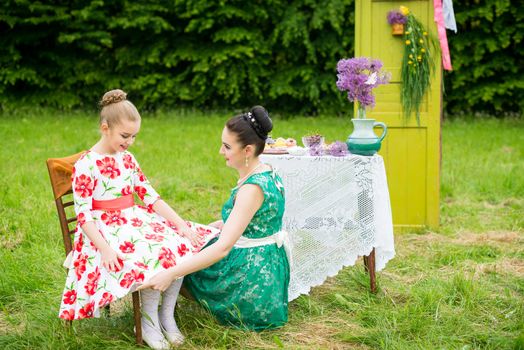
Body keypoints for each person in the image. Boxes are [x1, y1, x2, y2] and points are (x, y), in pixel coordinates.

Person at [58, 89, 219, 350]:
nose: (130, 141)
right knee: (151, 252)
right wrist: (105, 249)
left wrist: (180, 224)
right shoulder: (86, 165)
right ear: (105, 128)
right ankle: (147, 322)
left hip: (132, 220)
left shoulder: (128, 160)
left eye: (134, 136)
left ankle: (165, 316)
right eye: (125, 136)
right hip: (101, 231)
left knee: (179, 242)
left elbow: (150, 197)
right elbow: (84, 216)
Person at [138, 105, 290, 331]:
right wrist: (213, 227)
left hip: (251, 279)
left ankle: (154, 317)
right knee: (186, 238)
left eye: (227, 146)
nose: (221, 151)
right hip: (268, 264)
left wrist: (171, 273)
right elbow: (257, 221)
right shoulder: (268, 171)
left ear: (247, 150)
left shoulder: (252, 188)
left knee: (174, 255)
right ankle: (162, 313)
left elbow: (222, 248)